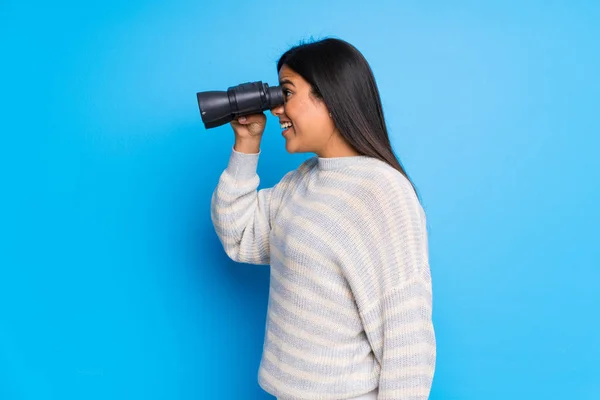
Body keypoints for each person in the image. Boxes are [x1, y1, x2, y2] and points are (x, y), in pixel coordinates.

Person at [210, 38, 436, 400]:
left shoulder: (382, 191)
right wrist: (247, 144)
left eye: (286, 93)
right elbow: (239, 235)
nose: (276, 109)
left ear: (330, 97)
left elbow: (407, 336)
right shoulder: (303, 180)